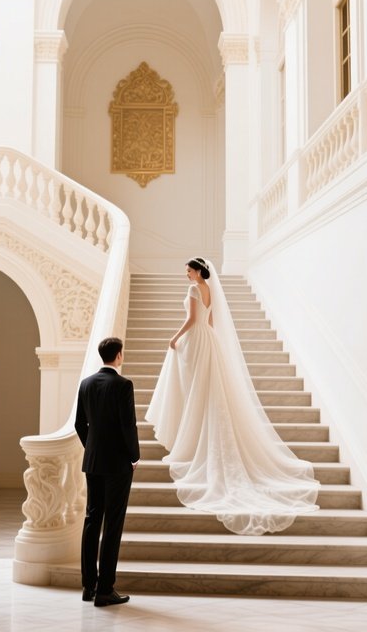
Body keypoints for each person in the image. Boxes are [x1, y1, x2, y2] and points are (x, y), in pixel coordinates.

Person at [145, 257, 319, 535]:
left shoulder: (193, 290)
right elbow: (210, 320)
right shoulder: (210, 290)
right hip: (208, 340)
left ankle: (191, 438)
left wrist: (174, 337)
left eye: (188, 270)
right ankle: (196, 432)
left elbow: (191, 319)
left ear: (199, 271)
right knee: (205, 391)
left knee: (196, 390)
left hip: (195, 339)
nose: (186, 274)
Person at [74, 336, 140, 606]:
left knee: (92, 520)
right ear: (119, 356)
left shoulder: (86, 384)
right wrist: (134, 455)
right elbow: (128, 425)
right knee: (112, 524)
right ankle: (105, 589)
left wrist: (91, 449)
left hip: (93, 462)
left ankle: (89, 586)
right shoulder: (123, 385)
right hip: (117, 465)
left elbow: (80, 424)